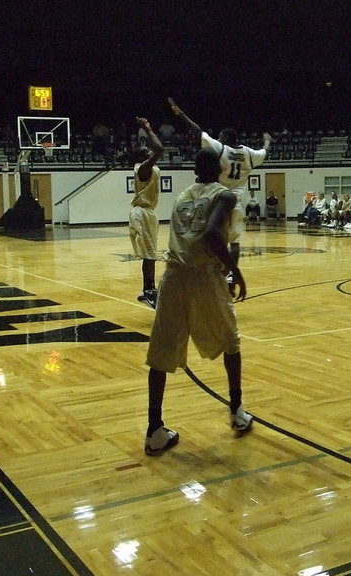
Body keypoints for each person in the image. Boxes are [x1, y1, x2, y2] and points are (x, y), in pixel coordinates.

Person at [144, 148, 252, 456]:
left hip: (173, 277)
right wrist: (236, 273)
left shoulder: (182, 196)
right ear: (219, 168)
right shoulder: (226, 196)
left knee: (161, 353)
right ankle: (236, 411)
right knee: (231, 341)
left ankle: (154, 430)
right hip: (204, 276)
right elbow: (211, 236)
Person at [168, 98, 271, 287]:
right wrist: (266, 141)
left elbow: (197, 130)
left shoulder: (220, 148)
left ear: (225, 138)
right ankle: (230, 277)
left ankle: (212, 274)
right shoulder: (249, 154)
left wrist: (180, 114)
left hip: (218, 197)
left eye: (221, 136)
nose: (219, 138)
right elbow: (264, 151)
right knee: (236, 243)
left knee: (211, 236)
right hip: (237, 200)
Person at [129, 117, 164, 309]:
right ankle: (148, 290)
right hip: (141, 213)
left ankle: (148, 289)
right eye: (146, 151)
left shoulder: (148, 168)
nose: (150, 151)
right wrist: (148, 128)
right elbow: (159, 148)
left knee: (150, 254)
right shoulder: (142, 169)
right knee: (150, 254)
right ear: (141, 157)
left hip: (147, 212)